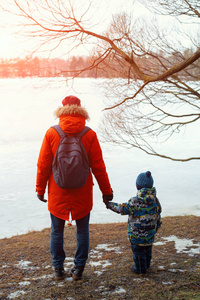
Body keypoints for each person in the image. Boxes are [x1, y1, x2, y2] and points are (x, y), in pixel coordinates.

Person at [36, 95, 113, 281]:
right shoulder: (89, 134)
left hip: (57, 191)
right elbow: (98, 166)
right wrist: (106, 191)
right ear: (80, 109)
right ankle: (78, 269)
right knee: (82, 230)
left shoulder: (51, 133)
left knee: (56, 231)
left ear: (62, 109)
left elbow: (43, 165)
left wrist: (40, 189)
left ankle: (58, 270)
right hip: (82, 192)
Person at [104, 171, 161, 275]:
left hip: (137, 236)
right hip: (150, 235)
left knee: (138, 253)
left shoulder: (134, 202)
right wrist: (156, 227)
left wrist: (109, 204)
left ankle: (140, 269)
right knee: (148, 251)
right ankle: (146, 265)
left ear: (138, 186)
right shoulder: (155, 200)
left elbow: (121, 209)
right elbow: (158, 214)